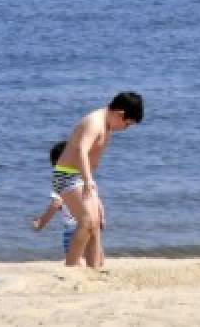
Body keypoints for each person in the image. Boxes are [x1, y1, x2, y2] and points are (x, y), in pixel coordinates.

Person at [54, 91, 144, 268]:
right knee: (87, 221)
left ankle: (94, 268)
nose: (125, 129)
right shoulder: (95, 122)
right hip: (67, 175)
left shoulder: (106, 124)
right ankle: (71, 266)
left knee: (96, 224)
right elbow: (81, 150)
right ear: (120, 114)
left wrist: (93, 188)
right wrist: (87, 181)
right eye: (127, 124)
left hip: (82, 177)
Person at [31, 140, 78, 257]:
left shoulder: (61, 179)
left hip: (73, 227)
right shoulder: (82, 176)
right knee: (91, 253)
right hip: (90, 223)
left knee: (73, 258)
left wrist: (41, 222)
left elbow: (56, 203)